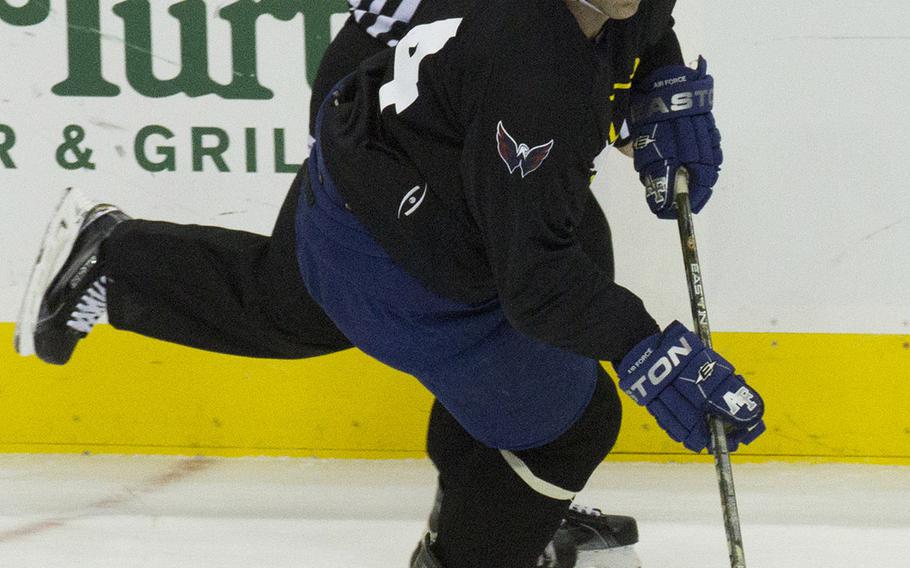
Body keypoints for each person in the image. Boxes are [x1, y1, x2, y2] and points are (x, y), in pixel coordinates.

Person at [15, 1, 766, 567]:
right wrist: (645, 348)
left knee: (315, 299)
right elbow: (537, 286)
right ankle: (477, 542)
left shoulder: (553, 53)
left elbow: (622, 28)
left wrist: (656, 68)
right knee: (567, 420)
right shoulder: (538, 72)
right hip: (391, 203)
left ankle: (116, 266)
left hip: (381, 138)